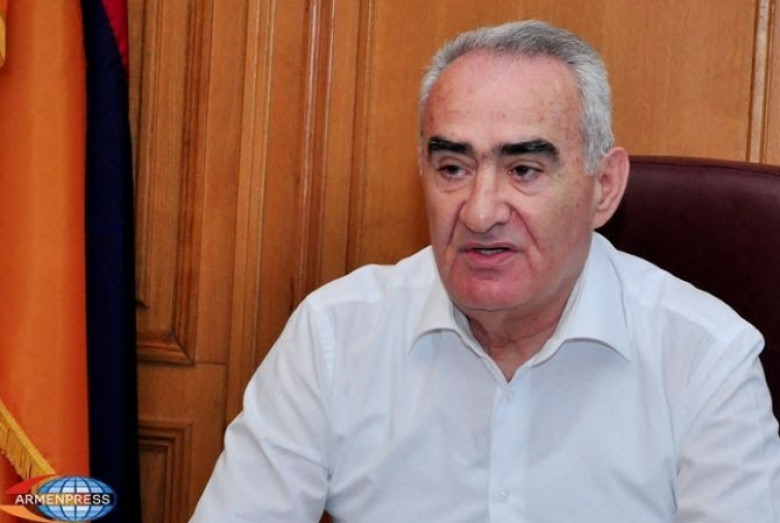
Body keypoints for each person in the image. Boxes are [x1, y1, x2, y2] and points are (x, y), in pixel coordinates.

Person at [190, 20, 780, 522]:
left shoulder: (706, 359)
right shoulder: (334, 335)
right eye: (453, 167)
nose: (479, 212)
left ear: (603, 186)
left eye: (524, 170)